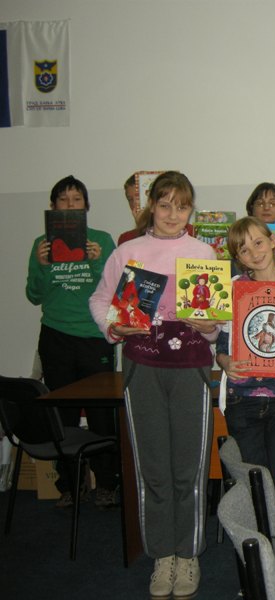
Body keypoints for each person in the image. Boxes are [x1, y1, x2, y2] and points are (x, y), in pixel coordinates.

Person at [89, 171, 219, 599]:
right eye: (165, 205)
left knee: (189, 469)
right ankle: (163, 555)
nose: (172, 214)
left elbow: (216, 321)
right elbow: (100, 299)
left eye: (182, 206)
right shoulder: (128, 252)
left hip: (191, 367)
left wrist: (209, 325)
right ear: (151, 206)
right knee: (153, 467)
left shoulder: (203, 253)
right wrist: (115, 326)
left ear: (191, 210)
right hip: (142, 367)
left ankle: (189, 554)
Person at [25, 175, 119, 509]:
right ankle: (70, 485)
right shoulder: (42, 243)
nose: (70, 204)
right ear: (53, 207)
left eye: (76, 199)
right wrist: (41, 266)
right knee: (61, 414)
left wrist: (97, 262)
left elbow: (115, 292)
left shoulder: (102, 241)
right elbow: (33, 295)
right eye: (63, 200)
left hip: (94, 337)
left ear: (86, 206)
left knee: (102, 414)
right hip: (55, 335)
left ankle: (107, 484)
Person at [215, 217, 275, 525]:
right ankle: (256, 544)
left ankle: (271, 541)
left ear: (273, 242)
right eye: (244, 250)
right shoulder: (232, 288)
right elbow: (222, 342)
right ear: (238, 258)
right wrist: (225, 362)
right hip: (242, 397)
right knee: (253, 480)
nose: (254, 253)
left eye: (258, 243)